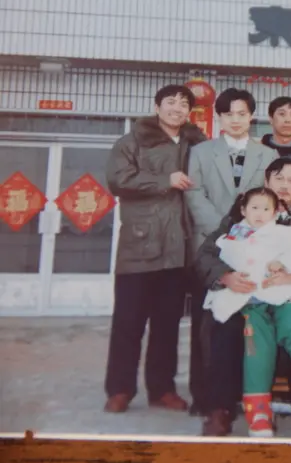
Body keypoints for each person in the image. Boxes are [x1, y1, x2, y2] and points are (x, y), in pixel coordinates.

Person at [195, 158, 291, 438]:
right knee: (225, 327)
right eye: (278, 178)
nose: (284, 185)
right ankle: (220, 408)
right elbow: (207, 254)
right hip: (247, 296)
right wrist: (226, 276)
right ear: (267, 182)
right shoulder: (241, 216)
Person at [103, 84, 206, 413]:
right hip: (140, 245)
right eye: (171, 102)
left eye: (184, 103)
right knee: (128, 323)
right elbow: (118, 180)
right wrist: (165, 180)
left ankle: (162, 389)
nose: (177, 108)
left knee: (167, 326)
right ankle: (120, 389)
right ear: (157, 106)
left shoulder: (195, 144)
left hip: (178, 249)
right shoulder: (132, 141)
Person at [185, 87, 278, 416]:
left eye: (242, 114)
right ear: (219, 117)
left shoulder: (267, 155)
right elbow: (194, 194)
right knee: (206, 323)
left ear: (251, 116)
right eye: (228, 114)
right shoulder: (200, 152)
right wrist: (225, 232)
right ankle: (202, 395)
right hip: (210, 245)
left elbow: (269, 199)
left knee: (246, 321)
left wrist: (248, 233)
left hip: (253, 250)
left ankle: (239, 392)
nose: (235, 120)